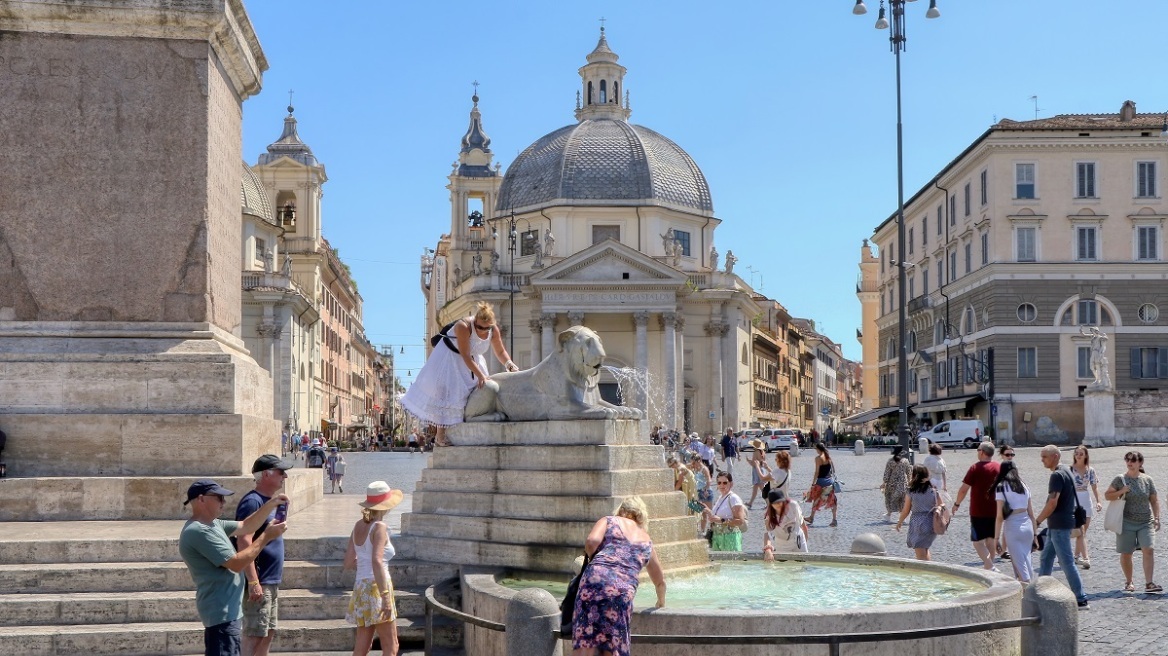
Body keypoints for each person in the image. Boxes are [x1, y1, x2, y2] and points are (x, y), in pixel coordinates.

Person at [179, 479, 289, 656]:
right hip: (220, 613)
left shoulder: (213, 524)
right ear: (201, 499)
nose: (224, 502)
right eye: (219, 498)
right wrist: (266, 537)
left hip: (228, 611)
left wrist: (270, 505)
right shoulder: (198, 531)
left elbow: (246, 526)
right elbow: (237, 563)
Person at [400, 302, 518, 447]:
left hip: (474, 358)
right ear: (475, 322)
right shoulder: (463, 326)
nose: (483, 331)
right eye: (480, 327)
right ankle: (440, 435)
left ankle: (469, 427)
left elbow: (500, 352)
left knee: (481, 390)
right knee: (447, 393)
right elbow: (465, 355)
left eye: (487, 328)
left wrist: (509, 364)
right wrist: (480, 375)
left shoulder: (493, 330)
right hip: (450, 357)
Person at [572, 497, 666, 656]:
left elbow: (591, 542)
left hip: (594, 581)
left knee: (585, 643)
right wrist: (660, 602)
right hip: (622, 591)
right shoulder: (647, 541)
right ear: (641, 516)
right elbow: (660, 582)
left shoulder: (609, 520)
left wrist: (594, 561)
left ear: (621, 510)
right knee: (613, 645)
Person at [233, 455, 294, 656]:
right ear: (266, 474)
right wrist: (253, 581)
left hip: (270, 580)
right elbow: (243, 540)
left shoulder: (269, 501)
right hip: (260, 580)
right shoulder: (253, 502)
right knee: (254, 635)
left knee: (267, 633)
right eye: (280, 472)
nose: (284, 476)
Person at [344, 481, 405, 656]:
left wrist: (362, 562)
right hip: (378, 587)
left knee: (362, 646)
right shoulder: (380, 527)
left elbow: (348, 562)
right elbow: (377, 561)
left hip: (361, 587)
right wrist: (385, 596)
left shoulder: (357, 526)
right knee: (391, 645)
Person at [1034, 445, 1089, 609]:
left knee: (1066, 562)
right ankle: (1040, 592)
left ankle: (1080, 598)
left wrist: (1037, 521)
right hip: (1057, 524)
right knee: (1045, 558)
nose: (1042, 460)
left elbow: (1052, 502)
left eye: (1045, 457)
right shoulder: (1066, 470)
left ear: (1055, 456)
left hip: (1059, 524)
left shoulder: (1057, 475)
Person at [1104, 450, 1162, 594]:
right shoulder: (1120, 479)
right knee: (1126, 553)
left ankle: (1149, 583)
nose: (1129, 463)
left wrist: (1157, 518)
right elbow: (1107, 495)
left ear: (1140, 463)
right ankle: (1129, 582)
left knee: (1148, 549)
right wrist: (1121, 491)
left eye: (1133, 460)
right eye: (1128, 460)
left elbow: (1154, 500)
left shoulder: (1148, 480)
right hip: (1126, 522)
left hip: (1145, 521)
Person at [951, 442, 1000, 570]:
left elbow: (963, 489)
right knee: (990, 540)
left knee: (977, 542)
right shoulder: (998, 467)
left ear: (982, 452)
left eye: (978, 450)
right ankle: (990, 568)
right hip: (995, 510)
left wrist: (957, 504)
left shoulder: (975, 468)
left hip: (978, 511)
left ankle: (991, 566)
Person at [992, 461, 1037, 583]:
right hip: (1027, 526)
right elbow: (1032, 515)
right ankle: (1024, 594)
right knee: (1026, 562)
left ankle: (1028, 594)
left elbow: (1000, 516)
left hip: (1013, 527)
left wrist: (996, 539)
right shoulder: (1024, 486)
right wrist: (1035, 535)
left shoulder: (1001, 487)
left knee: (1020, 566)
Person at [895, 465, 940, 561]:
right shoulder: (933, 491)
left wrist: (900, 522)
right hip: (932, 522)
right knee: (925, 549)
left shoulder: (912, 492)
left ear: (914, 476)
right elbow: (941, 505)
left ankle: (926, 574)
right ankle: (929, 570)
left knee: (920, 555)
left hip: (918, 523)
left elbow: (906, 511)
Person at [1070, 445, 1103, 569]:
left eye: (1081, 454)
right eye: (1076, 453)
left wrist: (1098, 502)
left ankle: (1076, 556)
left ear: (1085, 456)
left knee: (1083, 531)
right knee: (1080, 530)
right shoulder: (1069, 469)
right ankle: (1086, 558)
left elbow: (1095, 487)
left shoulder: (1091, 470)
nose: (1078, 455)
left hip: (1086, 499)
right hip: (1073, 499)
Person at [703, 471, 747, 552]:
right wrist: (709, 512)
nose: (721, 485)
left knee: (730, 564)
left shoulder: (734, 498)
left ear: (731, 484)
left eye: (725, 483)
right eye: (719, 483)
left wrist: (721, 520)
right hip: (717, 537)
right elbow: (718, 516)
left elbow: (740, 521)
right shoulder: (720, 498)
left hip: (730, 537)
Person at [763, 489, 807, 557]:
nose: (778, 504)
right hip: (781, 544)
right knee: (784, 567)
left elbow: (802, 522)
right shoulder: (769, 515)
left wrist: (805, 537)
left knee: (804, 563)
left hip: (798, 540)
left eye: (780, 501)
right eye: (775, 503)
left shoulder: (793, 505)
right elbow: (767, 533)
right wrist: (768, 548)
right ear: (771, 504)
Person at [804, 442, 838, 527]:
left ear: (818, 449)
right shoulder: (828, 456)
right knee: (833, 500)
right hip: (830, 481)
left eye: (816, 449)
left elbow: (817, 472)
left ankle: (811, 517)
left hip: (821, 481)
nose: (815, 450)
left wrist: (813, 483)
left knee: (816, 498)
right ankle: (834, 520)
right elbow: (833, 469)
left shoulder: (818, 458)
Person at [880, 445, 912, 522]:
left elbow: (887, 473)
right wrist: (909, 481)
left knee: (890, 499)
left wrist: (884, 483)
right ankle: (902, 516)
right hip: (903, 483)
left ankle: (888, 515)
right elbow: (909, 472)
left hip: (892, 484)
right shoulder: (905, 461)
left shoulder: (890, 461)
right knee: (902, 500)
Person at [688, 453, 713, 534]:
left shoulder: (704, 469)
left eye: (694, 463)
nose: (693, 464)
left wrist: (705, 490)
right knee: (696, 511)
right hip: (697, 492)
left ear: (699, 461)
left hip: (705, 492)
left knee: (705, 513)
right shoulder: (695, 468)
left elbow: (709, 480)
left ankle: (703, 531)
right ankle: (696, 530)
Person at [745, 440, 771, 509]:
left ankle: (768, 503)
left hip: (757, 470)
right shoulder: (763, 452)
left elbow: (754, 464)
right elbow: (762, 462)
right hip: (762, 469)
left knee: (762, 488)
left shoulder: (755, 452)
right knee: (755, 488)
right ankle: (750, 503)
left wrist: (748, 461)